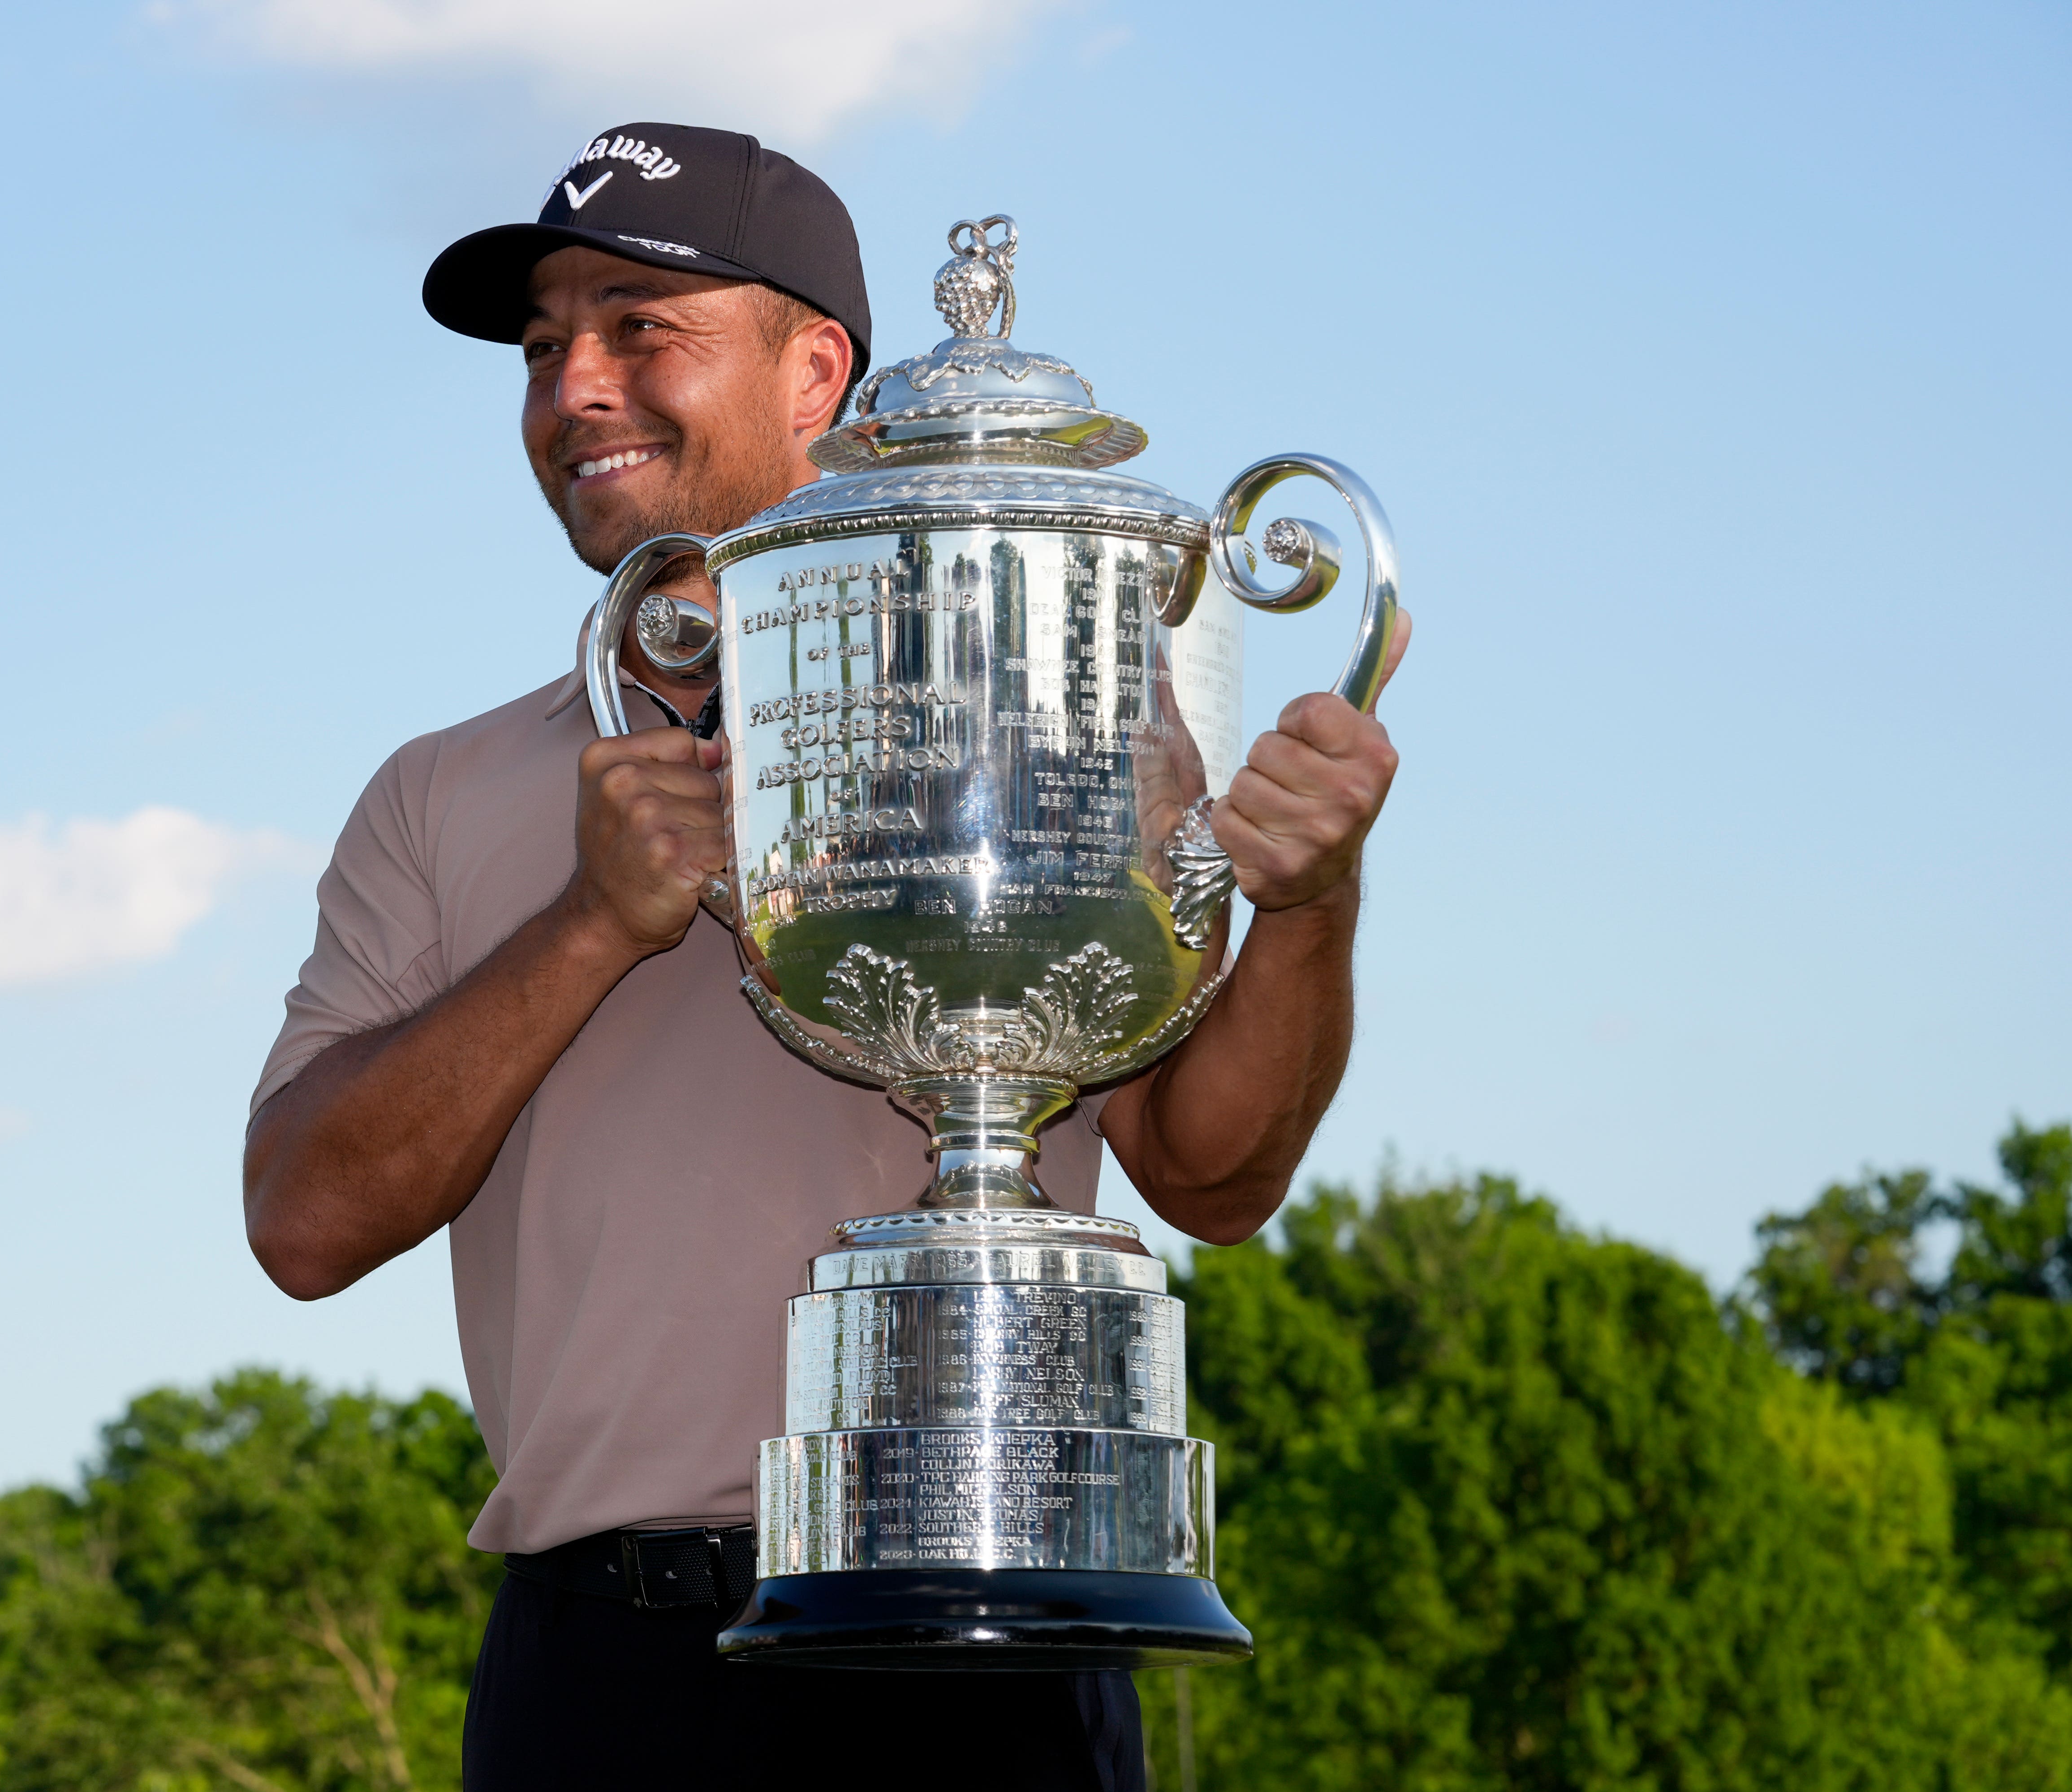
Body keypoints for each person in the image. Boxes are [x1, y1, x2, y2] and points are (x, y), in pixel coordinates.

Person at [242, 121, 1408, 1792]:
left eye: (641, 328)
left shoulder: (1059, 704)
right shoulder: (441, 794)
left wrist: (1309, 900)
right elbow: (301, 1221)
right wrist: (589, 925)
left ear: (819, 373)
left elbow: (1213, 1178)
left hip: (1000, 1627)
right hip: (610, 1670)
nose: (575, 385)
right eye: (544, 344)